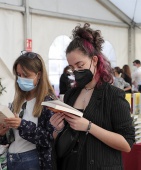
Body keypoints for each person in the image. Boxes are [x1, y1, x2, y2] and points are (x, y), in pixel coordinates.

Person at [50, 23, 135, 170]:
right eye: (72, 68)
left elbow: (127, 144)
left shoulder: (113, 95)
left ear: (94, 61)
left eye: (80, 65)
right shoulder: (71, 94)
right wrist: (57, 129)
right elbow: (64, 138)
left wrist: (89, 126)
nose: (76, 71)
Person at [0, 51, 56, 170]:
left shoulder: (49, 103)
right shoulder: (17, 101)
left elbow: (49, 138)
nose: (21, 79)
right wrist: (2, 133)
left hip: (32, 160)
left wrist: (22, 124)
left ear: (39, 75)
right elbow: (12, 138)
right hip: (11, 159)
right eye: (19, 75)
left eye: (26, 75)